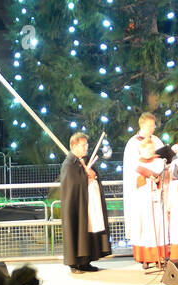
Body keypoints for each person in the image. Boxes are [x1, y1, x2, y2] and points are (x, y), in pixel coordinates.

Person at [60, 132, 111, 273]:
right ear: (73, 146)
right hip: (76, 207)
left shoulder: (86, 160)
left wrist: (92, 175)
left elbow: (94, 176)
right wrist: (85, 175)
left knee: (88, 231)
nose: (85, 148)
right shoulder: (69, 164)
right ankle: (74, 264)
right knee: (76, 231)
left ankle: (86, 261)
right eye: (82, 146)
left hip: (88, 205)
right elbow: (72, 185)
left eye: (86, 145)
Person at [123, 111, 163, 243]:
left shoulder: (156, 140)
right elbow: (132, 166)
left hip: (156, 186)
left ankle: (157, 249)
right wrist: (148, 174)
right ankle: (143, 251)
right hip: (141, 187)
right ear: (142, 125)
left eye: (153, 126)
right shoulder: (133, 143)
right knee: (142, 220)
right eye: (150, 126)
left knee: (156, 221)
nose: (152, 128)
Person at [129, 136, 168, 269]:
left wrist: (157, 180)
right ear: (141, 150)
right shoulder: (136, 163)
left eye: (152, 148)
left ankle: (159, 257)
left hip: (156, 197)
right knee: (145, 228)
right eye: (147, 149)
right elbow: (134, 182)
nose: (150, 151)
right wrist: (145, 177)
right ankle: (146, 258)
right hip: (143, 199)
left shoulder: (158, 162)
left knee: (157, 226)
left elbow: (163, 178)